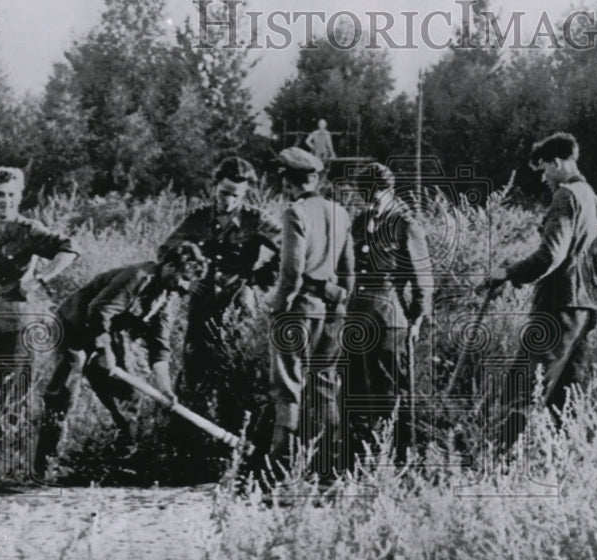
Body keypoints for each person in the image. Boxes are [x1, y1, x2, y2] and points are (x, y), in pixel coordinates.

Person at [33, 241, 208, 478]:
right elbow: (99, 310)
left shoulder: (167, 297)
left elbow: (159, 346)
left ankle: (119, 460)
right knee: (64, 394)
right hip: (74, 327)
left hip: (108, 332)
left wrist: (165, 389)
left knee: (128, 394)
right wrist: (106, 355)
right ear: (169, 266)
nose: (186, 287)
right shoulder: (138, 276)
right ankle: (45, 466)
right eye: (184, 278)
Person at [483, 133, 597, 449]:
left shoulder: (566, 195)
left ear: (558, 163)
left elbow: (551, 255)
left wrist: (507, 273)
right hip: (583, 308)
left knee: (524, 387)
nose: (543, 178)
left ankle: (502, 462)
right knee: (566, 393)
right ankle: (562, 464)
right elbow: (595, 259)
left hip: (558, 305)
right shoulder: (591, 197)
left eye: (544, 169)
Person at [0, 166, 78, 435]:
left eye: (10, 195)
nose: (4, 201)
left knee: (14, 391)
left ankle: (9, 450)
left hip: (15, 320)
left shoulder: (29, 230)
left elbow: (69, 249)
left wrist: (41, 278)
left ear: (19, 197)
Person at [157, 157, 279, 407]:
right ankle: (188, 427)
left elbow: (290, 248)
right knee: (193, 370)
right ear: (215, 186)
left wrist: (258, 281)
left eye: (237, 196)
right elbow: (166, 252)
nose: (229, 201)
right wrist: (183, 282)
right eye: (224, 193)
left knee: (235, 368)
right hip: (202, 304)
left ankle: (231, 430)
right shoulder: (198, 218)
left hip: (239, 308)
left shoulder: (255, 219)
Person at [265, 147, 354, 484]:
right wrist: (340, 304)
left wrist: (279, 308)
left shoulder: (295, 212)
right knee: (324, 387)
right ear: (316, 178)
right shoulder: (340, 212)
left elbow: (291, 271)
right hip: (332, 311)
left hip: (299, 311)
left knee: (288, 388)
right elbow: (348, 271)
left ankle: (281, 472)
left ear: (288, 182)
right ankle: (329, 472)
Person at [344, 163, 433, 464]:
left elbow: (423, 279)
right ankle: (362, 455)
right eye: (366, 194)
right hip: (356, 313)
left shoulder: (406, 225)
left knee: (390, 389)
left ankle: (401, 456)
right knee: (355, 387)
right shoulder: (360, 222)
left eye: (377, 193)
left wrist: (418, 317)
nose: (371, 199)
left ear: (389, 190)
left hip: (389, 315)